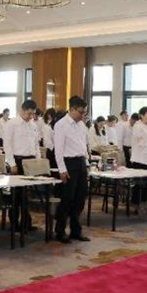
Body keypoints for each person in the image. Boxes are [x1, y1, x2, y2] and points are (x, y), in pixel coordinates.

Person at [54, 96, 91, 243]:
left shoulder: (81, 125)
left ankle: (76, 230)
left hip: (81, 162)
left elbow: (83, 146)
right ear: (72, 109)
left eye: (85, 113)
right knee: (67, 199)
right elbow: (58, 150)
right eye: (81, 112)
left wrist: (86, 163)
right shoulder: (61, 125)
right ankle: (60, 230)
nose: (83, 115)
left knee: (80, 198)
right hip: (68, 163)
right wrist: (62, 170)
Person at [3, 100, 40, 230]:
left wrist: (38, 161)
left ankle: (26, 222)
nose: (31, 116)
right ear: (22, 110)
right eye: (29, 113)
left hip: (30, 161)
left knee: (27, 194)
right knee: (16, 194)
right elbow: (7, 145)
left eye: (33, 114)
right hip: (17, 161)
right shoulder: (12, 124)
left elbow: (36, 145)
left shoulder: (33, 124)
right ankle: (14, 223)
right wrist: (12, 163)